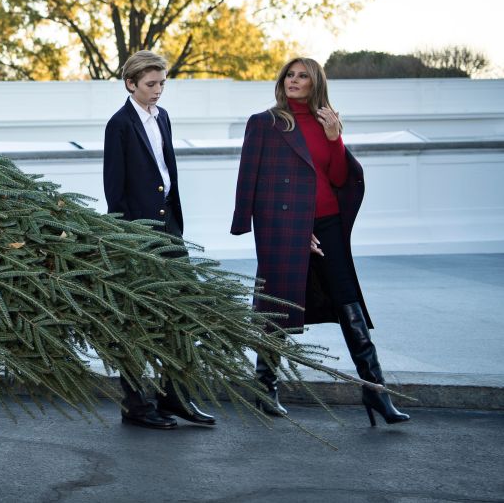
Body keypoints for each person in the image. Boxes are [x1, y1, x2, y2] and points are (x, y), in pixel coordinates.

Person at [230, 57, 410, 426]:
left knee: (349, 304)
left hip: (328, 226)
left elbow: (340, 177)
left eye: (303, 76)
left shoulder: (327, 122)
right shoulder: (265, 123)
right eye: (290, 75)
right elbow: (253, 183)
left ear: (316, 84)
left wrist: (335, 138)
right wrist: (287, 228)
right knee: (276, 309)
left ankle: (375, 392)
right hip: (286, 227)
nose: (294, 81)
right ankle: (265, 387)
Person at [103, 50, 215, 430]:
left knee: (183, 310)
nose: (158, 91)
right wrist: (124, 238)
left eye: (162, 83)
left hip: (169, 229)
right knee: (137, 318)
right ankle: (135, 404)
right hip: (137, 232)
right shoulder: (118, 125)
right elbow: (114, 190)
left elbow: (166, 170)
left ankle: (176, 397)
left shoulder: (162, 117)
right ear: (131, 84)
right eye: (151, 84)